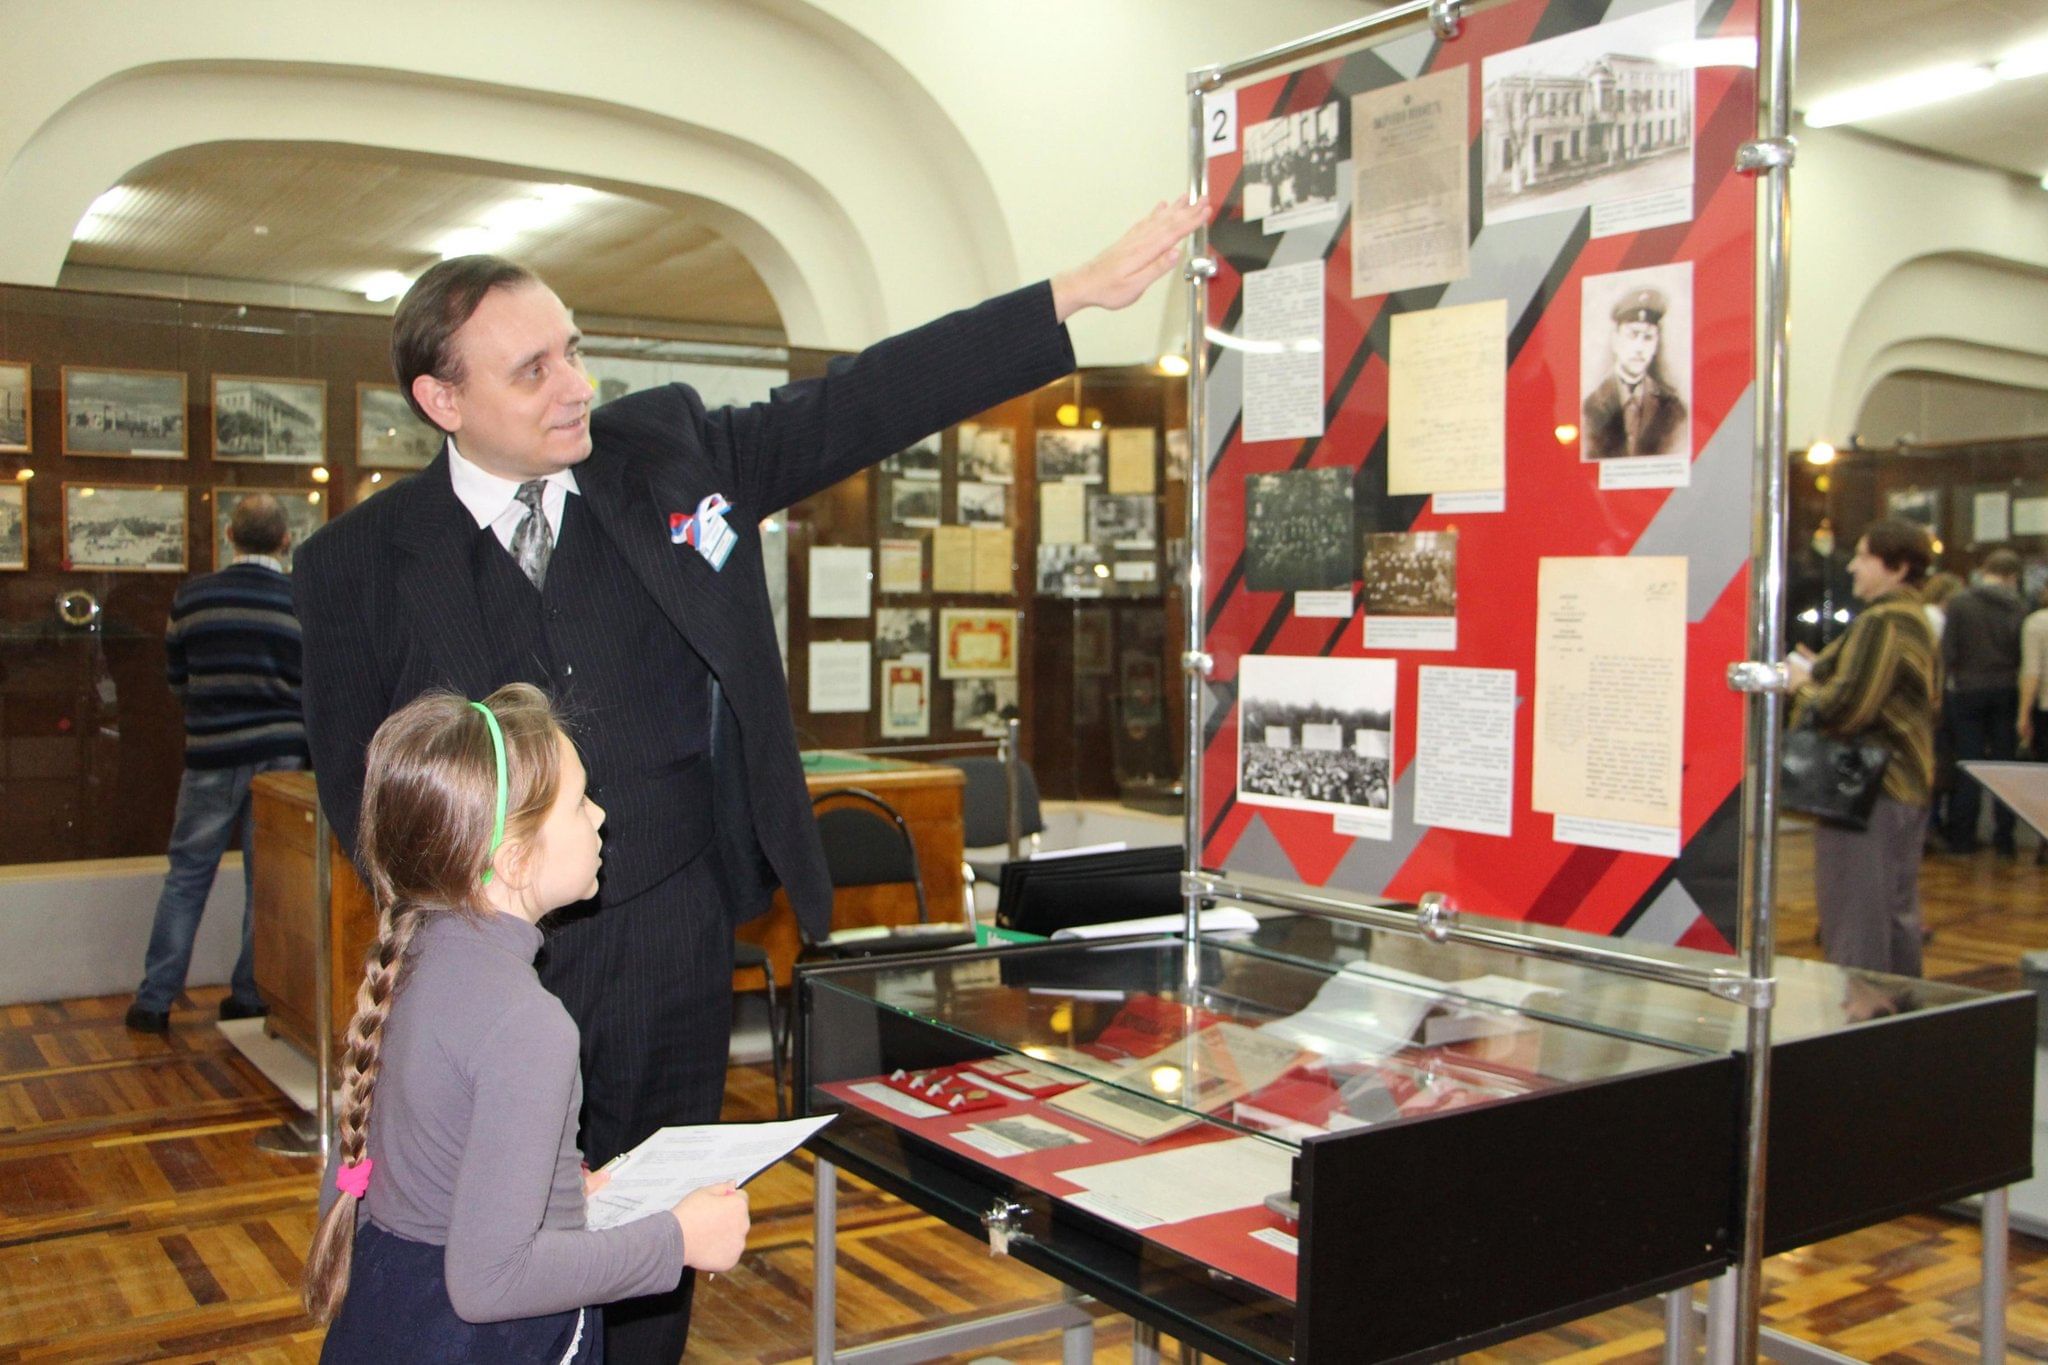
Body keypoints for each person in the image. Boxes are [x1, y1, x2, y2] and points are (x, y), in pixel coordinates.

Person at [293, 195, 1208, 1362]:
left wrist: (1069, 295)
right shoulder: (358, 569)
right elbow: (361, 808)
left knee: (657, 1245)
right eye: (532, 370)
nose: (575, 382)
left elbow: (861, 400)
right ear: (442, 400)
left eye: (572, 348)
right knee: (502, 1261)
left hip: (675, 933)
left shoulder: (663, 455)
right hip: (497, 968)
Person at [304, 685, 749, 1363]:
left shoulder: (420, 957)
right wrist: (678, 1238)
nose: (601, 816)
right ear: (513, 861)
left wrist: (555, 1189)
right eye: (578, 801)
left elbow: (436, 1177)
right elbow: (491, 1280)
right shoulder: (527, 1024)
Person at [125, 494, 308, 1036]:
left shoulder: (193, 596)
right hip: (280, 757)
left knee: (185, 878)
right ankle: (248, 996)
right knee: (265, 881)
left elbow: (176, 676)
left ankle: (154, 1002)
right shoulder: (299, 598)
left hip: (208, 754)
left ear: (229, 536)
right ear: (285, 540)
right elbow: (311, 683)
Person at [1786, 518, 1939, 977]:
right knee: (1892, 914)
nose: (1852, 566)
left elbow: (1848, 710)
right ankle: (1896, 1030)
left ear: (1896, 566)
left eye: (1864, 556)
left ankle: (1862, 1023)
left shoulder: (1885, 621)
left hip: (1870, 792)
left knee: (1857, 920)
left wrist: (1799, 685)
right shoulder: (1912, 617)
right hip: (1896, 788)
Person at [1940, 547, 2025, 855]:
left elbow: (1947, 651)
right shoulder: (2017, 605)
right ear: (2012, 576)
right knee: (2004, 764)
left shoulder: (1961, 602)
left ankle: (1962, 838)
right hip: (2005, 688)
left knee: (1968, 762)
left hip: (1967, 689)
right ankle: (2005, 838)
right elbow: (2020, 651)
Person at [1581, 287, 1687, 460]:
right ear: (1616, 340)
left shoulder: (1673, 410)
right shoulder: (1589, 408)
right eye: (1632, 335)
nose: (1639, 348)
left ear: (1655, 345)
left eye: (1647, 337)